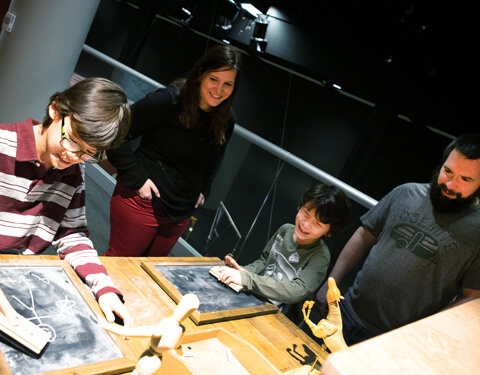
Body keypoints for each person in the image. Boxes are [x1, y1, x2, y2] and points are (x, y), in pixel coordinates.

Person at [315, 133, 480, 346]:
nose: (450, 183)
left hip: (395, 343)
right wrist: (332, 282)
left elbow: (472, 296)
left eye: (465, 179)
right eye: (448, 171)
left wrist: (423, 334)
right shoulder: (405, 193)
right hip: (345, 313)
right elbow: (363, 235)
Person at [0, 77, 132, 327]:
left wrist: (104, 288)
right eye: (71, 140)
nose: (73, 156)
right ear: (55, 109)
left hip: (15, 275)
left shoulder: (74, 172)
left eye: (87, 153)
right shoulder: (2, 145)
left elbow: (72, 236)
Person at [104, 44, 242, 257]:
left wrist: (205, 188)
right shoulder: (168, 101)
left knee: (146, 279)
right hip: (142, 203)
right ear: (200, 73)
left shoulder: (226, 120)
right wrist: (137, 179)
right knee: (117, 270)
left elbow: (216, 158)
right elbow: (117, 134)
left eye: (228, 84)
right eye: (214, 79)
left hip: (180, 214)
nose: (219, 90)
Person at [217, 183, 351, 316]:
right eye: (306, 213)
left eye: (317, 224)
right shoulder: (285, 230)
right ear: (300, 207)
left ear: (329, 232)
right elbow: (265, 261)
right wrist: (244, 271)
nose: (306, 224)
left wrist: (248, 279)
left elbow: (297, 291)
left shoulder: (320, 255)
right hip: (254, 299)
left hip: (280, 317)